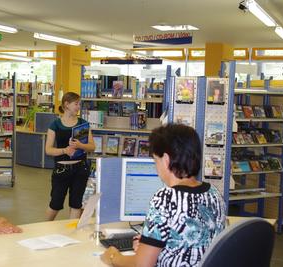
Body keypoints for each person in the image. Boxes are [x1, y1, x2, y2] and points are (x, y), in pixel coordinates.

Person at [101, 124, 226, 267]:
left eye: (155, 160)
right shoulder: (214, 194)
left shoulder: (165, 198)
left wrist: (113, 256)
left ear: (166, 160)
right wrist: (149, 245)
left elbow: (142, 265)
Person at [45, 92, 95, 221]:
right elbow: (48, 150)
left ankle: (73, 232)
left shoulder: (83, 124)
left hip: (80, 169)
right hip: (61, 170)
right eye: (76, 104)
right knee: (55, 203)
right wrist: (65, 151)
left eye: (79, 104)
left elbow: (92, 147)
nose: (79, 106)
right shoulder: (55, 125)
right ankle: (44, 228)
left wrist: (80, 145)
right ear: (66, 104)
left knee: (76, 203)